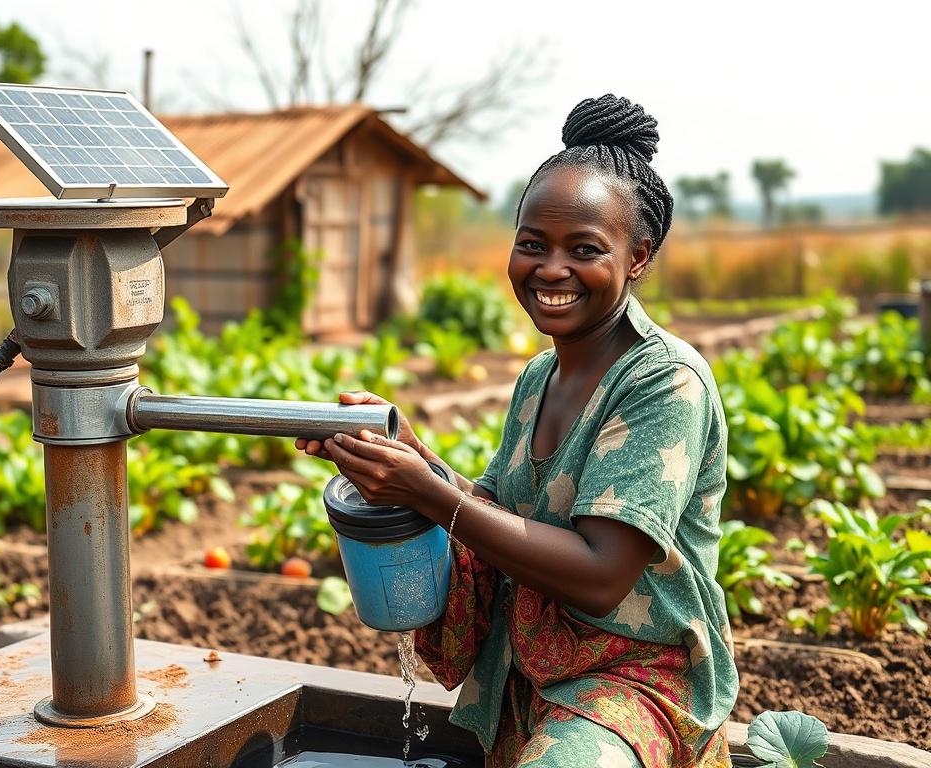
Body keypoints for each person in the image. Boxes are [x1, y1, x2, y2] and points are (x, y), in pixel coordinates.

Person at [296, 94, 738, 768]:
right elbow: (501, 516)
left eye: (584, 249)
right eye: (532, 244)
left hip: (635, 682)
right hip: (537, 673)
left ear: (639, 256)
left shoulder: (664, 381)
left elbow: (599, 576)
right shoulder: (539, 378)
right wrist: (413, 456)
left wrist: (430, 493)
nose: (551, 269)